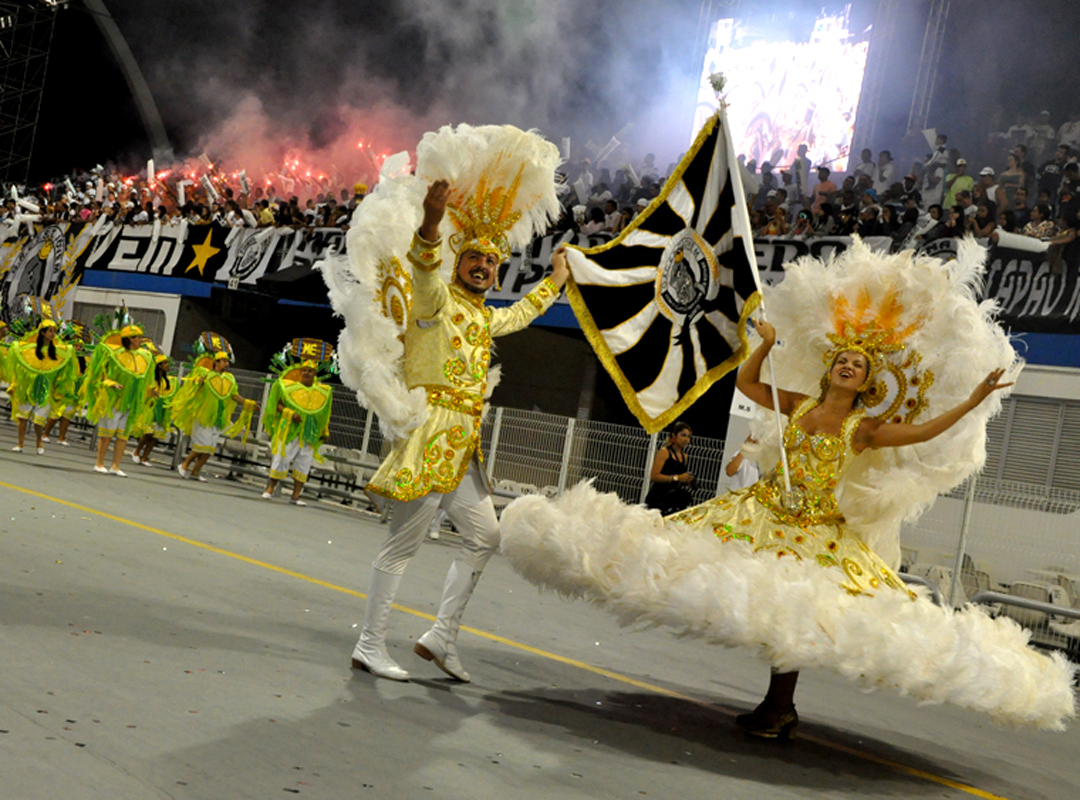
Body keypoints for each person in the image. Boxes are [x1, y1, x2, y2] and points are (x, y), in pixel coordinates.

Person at [499, 241, 1075, 733]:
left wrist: (973, 401)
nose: (849, 365)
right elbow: (749, 382)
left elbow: (923, 428)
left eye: (859, 365)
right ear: (830, 369)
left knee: (795, 610)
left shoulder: (864, 429)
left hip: (816, 531)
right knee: (697, 565)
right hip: (763, 510)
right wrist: (767, 343)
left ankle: (779, 706)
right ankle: (776, 706)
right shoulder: (799, 405)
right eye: (843, 359)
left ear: (871, 382)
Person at [330, 124, 569, 684]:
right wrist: (435, 222)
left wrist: (555, 280)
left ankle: (440, 636)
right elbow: (423, 263)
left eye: (492, 262)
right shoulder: (435, 297)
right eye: (476, 259)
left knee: (485, 537)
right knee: (402, 546)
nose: (485, 267)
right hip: (429, 432)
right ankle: (369, 643)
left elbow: (521, 314)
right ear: (460, 262)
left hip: (463, 445)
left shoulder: (486, 315)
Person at [260, 342, 334, 506]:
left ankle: (295, 496)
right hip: (289, 430)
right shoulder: (288, 387)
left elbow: (324, 414)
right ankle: (270, 489)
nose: (307, 373)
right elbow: (277, 404)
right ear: (300, 373)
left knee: (304, 463)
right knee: (281, 459)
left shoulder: (323, 392)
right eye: (305, 371)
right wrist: (289, 413)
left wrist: (324, 431)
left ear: (315, 373)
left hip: (310, 433)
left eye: (310, 371)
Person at [172, 339, 255, 482]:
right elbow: (193, 386)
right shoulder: (206, 375)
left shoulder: (230, 379)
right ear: (216, 363)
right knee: (201, 446)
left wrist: (248, 403)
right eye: (223, 361)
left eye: (227, 362)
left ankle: (195, 471)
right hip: (203, 415)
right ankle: (184, 465)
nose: (227, 364)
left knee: (210, 448)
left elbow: (234, 395)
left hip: (218, 417)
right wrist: (198, 381)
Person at [83, 320, 154, 476]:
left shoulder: (145, 356)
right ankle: (99, 463)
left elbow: (146, 379)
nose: (140, 340)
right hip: (113, 400)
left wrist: (151, 390)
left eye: (141, 337)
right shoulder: (112, 353)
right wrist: (110, 383)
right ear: (129, 339)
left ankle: (115, 466)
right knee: (107, 433)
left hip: (131, 401)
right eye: (137, 337)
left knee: (123, 435)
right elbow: (98, 376)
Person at [7, 318, 76, 454]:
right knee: (22, 419)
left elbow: (63, 368)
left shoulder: (57, 352)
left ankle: (39, 441)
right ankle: (20, 444)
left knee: (39, 422)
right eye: (50, 331)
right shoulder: (30, 350)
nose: (53, 334)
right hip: (28, 388)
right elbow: (20, 359)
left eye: (54, 331)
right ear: (43, 333)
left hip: (46, 391)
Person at [130, 353, 178, 466]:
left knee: (155, 436)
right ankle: (137, 451)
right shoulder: (151, 378)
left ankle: (145, 457)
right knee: (148, 433)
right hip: (150, 409)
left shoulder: (167, 381)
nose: (168, 365)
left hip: (162, 411)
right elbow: (144, 391)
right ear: (159, 365)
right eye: (165, 363)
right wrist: (151, 393)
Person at [644, 422, 694, 515]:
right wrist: (677, 478)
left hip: (673, 499)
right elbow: (654, 476)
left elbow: (680, 476)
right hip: (658, 498)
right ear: (674, 435)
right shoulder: (665, 452)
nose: (686, 440)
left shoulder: (685, 457)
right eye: (683, 435)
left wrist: (687, 480)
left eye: (688, 437)